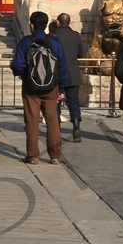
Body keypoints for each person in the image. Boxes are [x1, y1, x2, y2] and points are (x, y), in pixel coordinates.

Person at [11, 9, 69, 165]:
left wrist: (23, 74)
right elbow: (62, 66)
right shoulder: (55, 42)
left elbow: (17, 65)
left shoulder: (25, 42)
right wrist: (62, 88)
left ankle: (33, 154)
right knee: (52, 121)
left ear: (31, 25)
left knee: (32, 120)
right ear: (45, 25)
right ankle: (55, 155)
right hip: (51, 87)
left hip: (31, 88)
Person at [52, 10, 85, 144]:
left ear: (58, 22)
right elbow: (81, 53)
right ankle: (76, 126)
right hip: (72, 72)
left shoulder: (53, 36)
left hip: (56, 72)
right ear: (69, 22)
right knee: (73, 102)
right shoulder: (76, 36)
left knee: (56, 102)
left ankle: (56, 130)